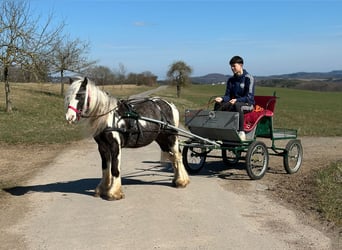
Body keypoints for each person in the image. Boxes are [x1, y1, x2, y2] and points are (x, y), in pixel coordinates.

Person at [214, 56, 255, 141]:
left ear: (241, 65)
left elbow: (249, 97)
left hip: (248, 104)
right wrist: (221, 98)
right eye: (231, 66)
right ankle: (218, 131)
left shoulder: (249, 78)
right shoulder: (231, 80)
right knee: (218, 105)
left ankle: (241, 132)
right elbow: (228, 96)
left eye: (234, 66)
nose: (232, 68)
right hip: (233, 102)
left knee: (237, 106)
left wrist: (237, 100)